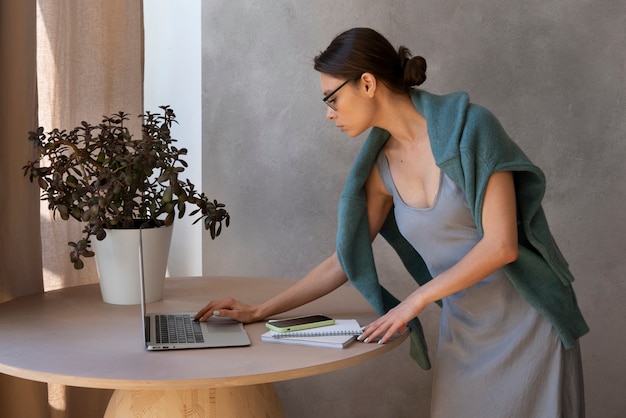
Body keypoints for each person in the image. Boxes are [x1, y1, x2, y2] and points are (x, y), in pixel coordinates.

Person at [196, 27, 588, 417]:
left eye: (332, 98)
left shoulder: (471, 130)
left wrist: (415, 301)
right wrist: (261, 311)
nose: (328, 113)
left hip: (529, 325)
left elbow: (500, 245)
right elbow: (344, 259)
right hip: (466, 331)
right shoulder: (381, 169)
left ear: (367, 83)